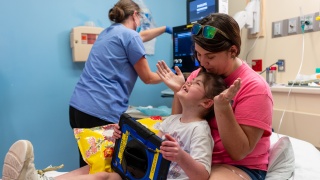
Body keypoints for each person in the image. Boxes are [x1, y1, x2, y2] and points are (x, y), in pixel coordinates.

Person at [2, 71, 228, 180]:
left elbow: (202, 175)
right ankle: (39, 179)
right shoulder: (171, 120)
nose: (188, 82)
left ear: (207, 102)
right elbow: (145, 142)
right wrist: (124, 136)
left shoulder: (199, 130)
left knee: (105, 177)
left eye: (196, 83)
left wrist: (181, 157)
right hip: (140, 171)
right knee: (95, 168)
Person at [156, 13, 273, 180]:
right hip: (193, 156)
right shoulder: (199, 74)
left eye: (210, 57)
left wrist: (222, 107)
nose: (202, 63)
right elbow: (178, 122)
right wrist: (179, 91)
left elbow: (238, 152)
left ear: (233, 51)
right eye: (198, 54)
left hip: (234, 165)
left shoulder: (255, 88)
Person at [68, 0, 172, 167]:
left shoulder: (108, 32)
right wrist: (173, 74)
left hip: (78, 108)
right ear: (135, 15)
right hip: (100, 112)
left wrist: (164, 29)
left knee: (89, 165)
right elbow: (149, 78)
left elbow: (140, 37)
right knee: (104, 168)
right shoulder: (130, 36)